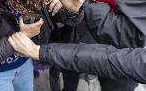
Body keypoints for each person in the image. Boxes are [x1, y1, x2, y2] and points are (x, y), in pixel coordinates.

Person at [8, 32, 146, 84]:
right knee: (58, 74)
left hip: (61, 52)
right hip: (61, 51)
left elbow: (109, 60)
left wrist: (40, 51)